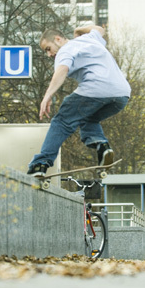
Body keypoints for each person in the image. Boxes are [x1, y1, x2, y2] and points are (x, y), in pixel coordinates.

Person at [27, 25, 131, 177]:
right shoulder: (89, 39)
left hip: (96, 89)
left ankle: (40, 164)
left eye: (48, 49)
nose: (49, 54)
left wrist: (48, 95)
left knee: (61, 121)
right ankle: (102, 146)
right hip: (122, 94)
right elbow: (99, 29)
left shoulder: (65, 50)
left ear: (58, 39)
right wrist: (78, 30)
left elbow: (62, 70)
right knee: (89, 118)